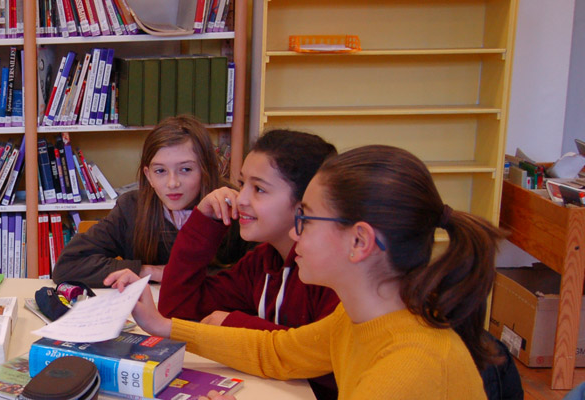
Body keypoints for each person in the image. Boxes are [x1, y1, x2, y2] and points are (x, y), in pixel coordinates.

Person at [127, 145, 505, 399]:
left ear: (359, 241)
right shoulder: (357, 318)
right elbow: (277, 352)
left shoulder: (409, 368)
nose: (295, 234)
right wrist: (164, 327)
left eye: (305, 219)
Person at [107, 129, 340, 398]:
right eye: (242, 184)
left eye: (259, 189)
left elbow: (317, 359)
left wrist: (233, 323)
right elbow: (180, 310)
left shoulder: (333, 276)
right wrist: (203, 221)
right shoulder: (262, 261)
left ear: (306, 204)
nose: (241, 198)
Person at [51, 115, 245, 287]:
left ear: (205, 170)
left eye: (186, 169)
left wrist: (172, 274)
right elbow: (68, 265)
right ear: (148, 175)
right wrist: (148, 271)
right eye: (160, 171)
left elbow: (254, 278)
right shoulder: (131, 209)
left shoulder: (232, 205)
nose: (172, 183)